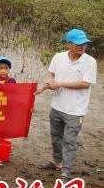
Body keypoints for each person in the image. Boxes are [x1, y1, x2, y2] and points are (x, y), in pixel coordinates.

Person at [37, 28, 97, 179]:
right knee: (55, 136)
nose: (82, 46)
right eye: (78, 43)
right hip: (57, 106)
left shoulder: (90, 61)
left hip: (75, 110)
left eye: (84, 43)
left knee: (70, 141)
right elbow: (52, 75)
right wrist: (45, 87)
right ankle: (57, 162)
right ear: (68, 44)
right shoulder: (58, 57)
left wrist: (60, 84)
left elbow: (85, 84)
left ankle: (66, 171)